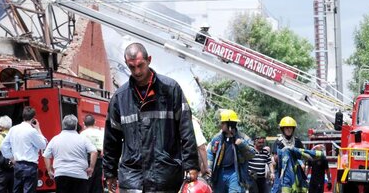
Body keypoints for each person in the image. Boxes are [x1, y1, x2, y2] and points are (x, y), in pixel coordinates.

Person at [103, 42, 199, 193]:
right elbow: (111, 140)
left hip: (165, 176)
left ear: (149, 60)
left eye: (140, 65)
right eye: (132, 67)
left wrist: (191, 165)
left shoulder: (170, 90)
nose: (137, 71)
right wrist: (109, 173)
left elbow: (186, 129)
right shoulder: (120, 98)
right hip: (133, 179)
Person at [43, 114, 98, 193]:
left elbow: (46, 155)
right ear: (76, 126)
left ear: (63, 125)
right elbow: (94, 151)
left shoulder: (55, 139)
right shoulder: (83, 139)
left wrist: (49, 170)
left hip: (61, 174)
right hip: (80, 174)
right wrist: (91, 168)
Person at [206, 109, 256, 193]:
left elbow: (252, 154)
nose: (221, 125)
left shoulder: (243, 138)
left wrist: (241, 144)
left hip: (235, 173)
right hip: (219, 173)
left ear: (230, 124)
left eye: (223, 123)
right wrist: (209, 170)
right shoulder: (217, 138)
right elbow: (210, 154)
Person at [1, 106, 47, 193]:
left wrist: (11, 158)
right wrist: (38, 128)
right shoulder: (32, 131)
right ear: (33, 118)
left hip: (18, 165)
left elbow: (3, 146)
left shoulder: (13, 129)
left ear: (23, 116)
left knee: (17, 190)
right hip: (30, 166)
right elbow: (43, 145)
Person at [271, 117, 323, 193]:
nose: (289, 129)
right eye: (287, 128)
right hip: (282, 172)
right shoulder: (278, 142)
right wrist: (284, 152)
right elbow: (275, 159)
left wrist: (312, 151)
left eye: (291, 128)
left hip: (296, 171)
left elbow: (304, 155)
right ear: (283, 129)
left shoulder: (297, 141)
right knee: (278, 189)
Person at [80, 114, 104, 193]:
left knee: (87, 184)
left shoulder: (82, 134)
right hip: (99, 160)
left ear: (84, 123)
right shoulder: (100, 133)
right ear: (95, 122)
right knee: (97, 184)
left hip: (86, 160)